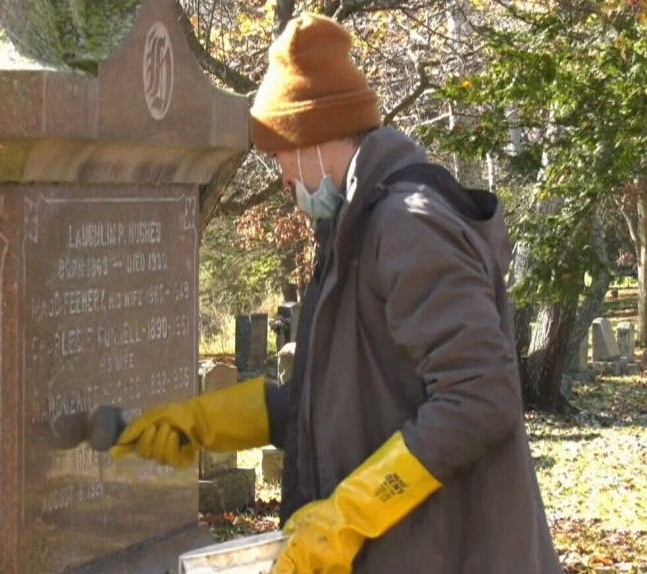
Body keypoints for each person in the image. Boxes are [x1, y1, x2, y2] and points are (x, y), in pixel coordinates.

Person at [109, 13, 563, 574]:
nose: (281, 177)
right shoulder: (352, 228)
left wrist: (349, 515)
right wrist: (201, 423)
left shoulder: (407, 225)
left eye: (279, 156)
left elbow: (480, 396)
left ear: (313, 135)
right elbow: (326, 404)